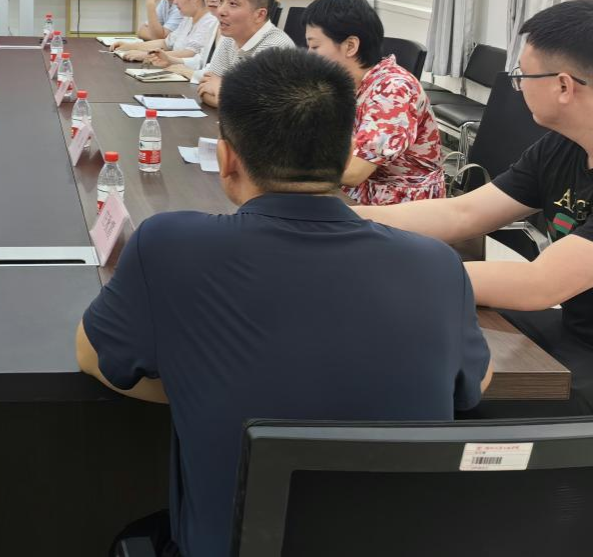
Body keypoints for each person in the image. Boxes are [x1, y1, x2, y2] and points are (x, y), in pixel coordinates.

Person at [77, 48, 491, 557]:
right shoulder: (438, 265)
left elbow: (93, 356)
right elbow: (470, 385)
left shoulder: (168, 245)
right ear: (347, 154)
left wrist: (200, 385)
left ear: (227, 159)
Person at [359, 0, 593, 416]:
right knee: (412, 338)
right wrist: (344, 220)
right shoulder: (566, 144)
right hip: (575, 326)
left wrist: (391, 276)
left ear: (563, 86)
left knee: (439, 385)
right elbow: (463, 214)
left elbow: (540, 285)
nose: (517, 88)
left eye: (521, 76)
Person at [304, 0, 445, 204]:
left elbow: (353, 172)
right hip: (358, 192)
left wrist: (281, 163)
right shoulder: (344, 83)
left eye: (315, 46)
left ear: (350, 46)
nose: (309, 55)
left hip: (400, 204)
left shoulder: (393, 90)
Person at [196, 0, 294, 108]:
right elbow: (205, 88)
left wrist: (223, 90)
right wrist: (231, 96)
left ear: (259, 15)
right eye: (221, 1)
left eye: (233, 4)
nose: (220, 11)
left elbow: (256, 109)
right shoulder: (230, 38)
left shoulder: (275, 48)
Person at [142, 0, 239, 80]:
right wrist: (171, 60)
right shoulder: (216, 23)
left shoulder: (223, 25)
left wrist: (191, 73)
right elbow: (202, 60)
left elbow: (224, 76)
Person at [113, 0, 218, 63]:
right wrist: (130, 46)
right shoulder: (188, 18)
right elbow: (165, 43)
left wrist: (146, 56)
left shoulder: (210, 21)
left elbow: (190, 54)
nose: (175, 2)